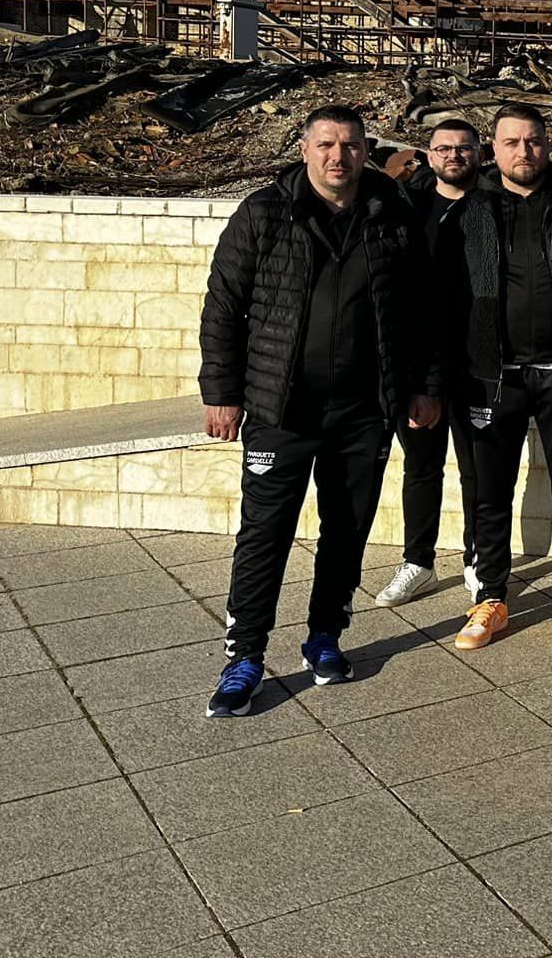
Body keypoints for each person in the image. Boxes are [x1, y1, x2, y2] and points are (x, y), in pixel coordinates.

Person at [199, 105, 441, 717]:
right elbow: (223, 306)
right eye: (327, 144)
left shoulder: (393, 215)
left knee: (346, 529)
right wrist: (221, 392)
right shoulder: (264, 213)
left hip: (363, 410)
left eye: (351, 145)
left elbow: (423, 311)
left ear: (365, 152)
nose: (339, 156)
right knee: (265, 535)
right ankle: (244, 655)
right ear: (305, 149)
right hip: (281, 408)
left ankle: (325, 635)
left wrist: (425, 385)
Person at [447, 103, 552, 652]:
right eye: (512, 142)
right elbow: (447, 288)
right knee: (490, 491)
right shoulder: (471, 210)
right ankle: (491, 597)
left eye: (534, 141)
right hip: (493, 376)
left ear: (548, 145)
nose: (525, 151)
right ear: (493, 149)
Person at [375, 118, 482, 609]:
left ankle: (478, 559)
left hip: (478, 363)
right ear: (429, 154)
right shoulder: (407, 207)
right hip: (417, 364)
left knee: (477, 470)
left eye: (463, 148)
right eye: (443, 148)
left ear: (478, 153)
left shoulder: (494, 205)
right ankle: (418, 561)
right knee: (421, 466)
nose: (453, 156)